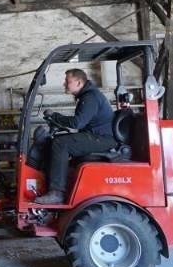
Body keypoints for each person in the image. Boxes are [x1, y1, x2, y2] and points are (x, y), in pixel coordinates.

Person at [35, 68, 116, 204]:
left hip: (103, 139)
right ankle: (53, 185)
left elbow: (76, 123)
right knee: (55, 141)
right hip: (96, 135)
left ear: (78, 83)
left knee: (61, 144)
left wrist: (54, 116)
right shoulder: (87, 96)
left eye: (68, 81)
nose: (64, 84)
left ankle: (56, 193)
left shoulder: (90, 97)